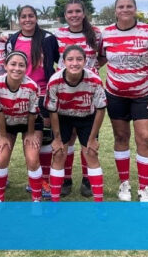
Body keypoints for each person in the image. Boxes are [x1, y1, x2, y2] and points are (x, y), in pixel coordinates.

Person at [102, 0, 148, 202]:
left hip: (144, 95)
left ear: (135, 9)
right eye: (121, 6)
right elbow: (99, 59)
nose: (125, 9)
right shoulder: (106, 33)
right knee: (121, 137)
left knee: (145, 138)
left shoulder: (147, 31)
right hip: (115, 95)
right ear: (115, 10)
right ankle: (124, 184)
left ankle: (144, 188)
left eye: (129, 6)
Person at [5, 5, 59, 197]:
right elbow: (8, 66)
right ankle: (34, 179)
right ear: (19, 19)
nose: (27, 19)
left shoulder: (48, 38)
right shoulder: (13, 40)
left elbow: (59, 62)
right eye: (23, 16)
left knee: (43, 139)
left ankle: (42, 180)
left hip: (42, 94)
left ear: (36, 18)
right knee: (19, 137)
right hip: (19, 95)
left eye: (31, 16)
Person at [54, 0, 105, 197]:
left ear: (84, 14)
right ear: (65, 15)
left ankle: (87, 179)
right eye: (70, 12)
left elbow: (103, 56)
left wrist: (91, 70)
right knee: (68, 138)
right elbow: (54, 58)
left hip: (88, 92)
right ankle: (66, 179)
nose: (74, 15)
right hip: (65, 92)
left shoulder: (96, 33)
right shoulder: (59, 34)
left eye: (78, 11)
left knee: (88, 138)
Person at [45, 46, 107, 202]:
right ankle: (54, 202)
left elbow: (101, 109)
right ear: (63, 62)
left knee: (91, 153)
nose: (74, 63)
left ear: (85, 61)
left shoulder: (94, 80)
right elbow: (52, 111)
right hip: (63, 117)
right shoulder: (55, 80)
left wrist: (92, 139)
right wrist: (57, 138)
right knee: (59, 153)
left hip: (86, 117)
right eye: (70, 59)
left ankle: (99, 203)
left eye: (79, 59)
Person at [0, 51, 44, 202]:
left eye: (21, 65)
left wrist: (31, 134)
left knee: (32, 159)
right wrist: (3, 136)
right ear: (5, 66)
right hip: (6, 123)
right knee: (1, 157)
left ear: (26, 68)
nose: (17, 68)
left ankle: (37, 200)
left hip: (29, 123)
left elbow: (32, 114)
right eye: (13, 64)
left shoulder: (32, 86)